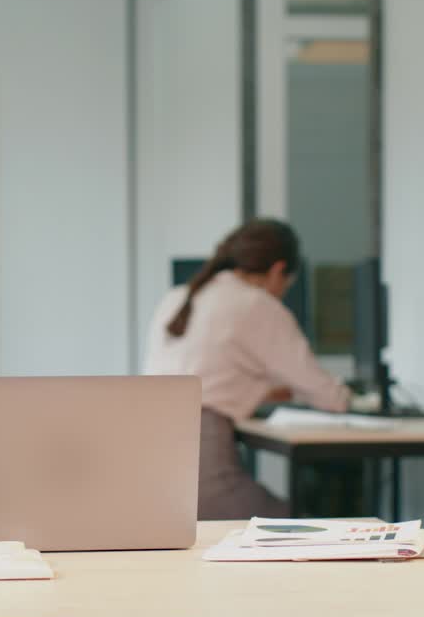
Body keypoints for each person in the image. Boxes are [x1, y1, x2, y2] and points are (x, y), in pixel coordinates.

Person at [143, 218, 351, 519]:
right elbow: (331, 397)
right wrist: (354, 397)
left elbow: (208, 378)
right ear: (279, 270)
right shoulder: (256, 305)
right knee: (300, 521)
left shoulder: (176, 297)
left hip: (153, 475)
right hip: (204, 483)